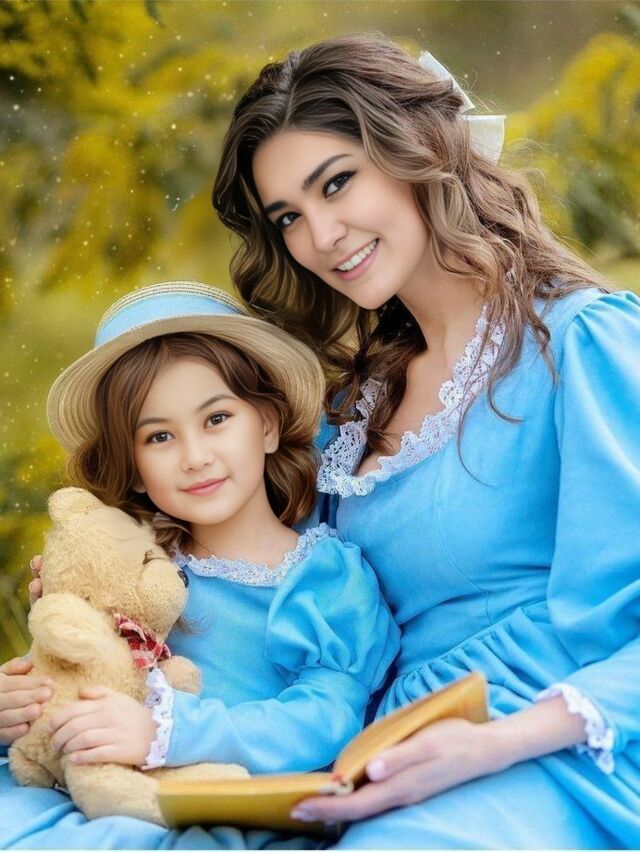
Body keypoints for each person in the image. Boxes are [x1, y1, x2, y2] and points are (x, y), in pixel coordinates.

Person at [209, 33, 640, 848]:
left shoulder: (582, 344)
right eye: (289, 217)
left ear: (419, 153)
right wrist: (127, 588)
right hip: (381, 751)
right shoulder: (350, 414)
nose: (321, 235)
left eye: (338, 183)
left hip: (559, 748)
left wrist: (491, 744)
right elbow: (271, 582)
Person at [0, 281, 399, 849]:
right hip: (90, 790)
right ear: (134, 469)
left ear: (266, 423)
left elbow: (324, 719)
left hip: (230, 804)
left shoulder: (322, 578)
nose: (195, 456)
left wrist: (166, 731)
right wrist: (20, 705)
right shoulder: (132, 564)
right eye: (159, 436)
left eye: (216, 419)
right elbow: (78, 669)